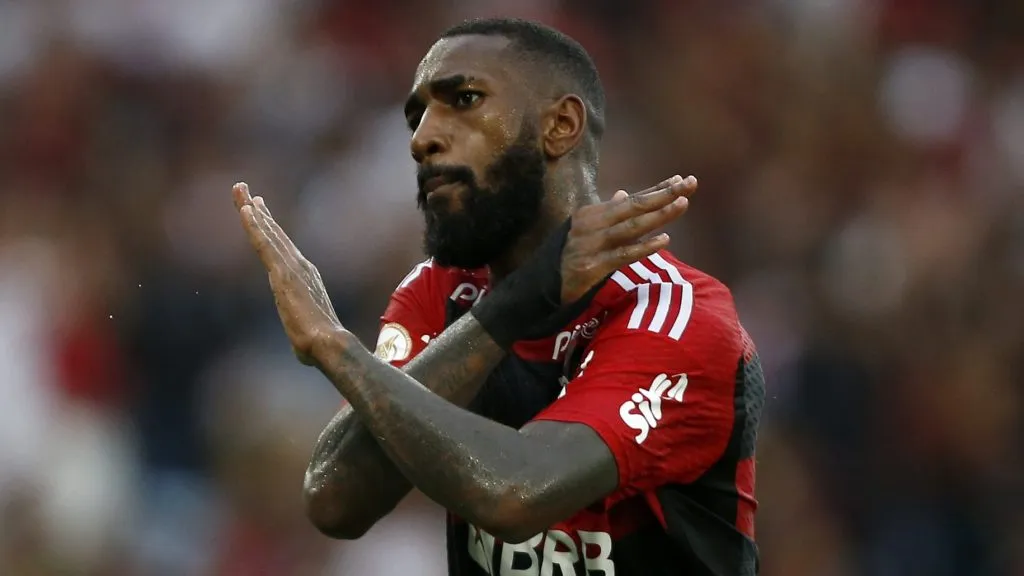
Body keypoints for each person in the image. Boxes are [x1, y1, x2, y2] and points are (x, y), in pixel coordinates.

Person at [233, 18, 764, 576]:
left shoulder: (675, 314)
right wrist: (515, 304)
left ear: (560, 125)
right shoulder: (439, 292)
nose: (422, 140)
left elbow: (515, 495)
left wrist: (336, 348)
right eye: (417, 117)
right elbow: (335, 499)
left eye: (464, 99)